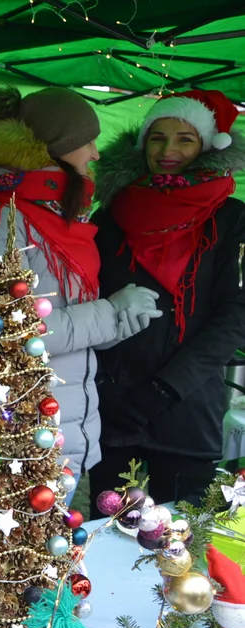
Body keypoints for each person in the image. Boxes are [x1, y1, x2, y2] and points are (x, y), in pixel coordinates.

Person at [0, 86, 160, 481]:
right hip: (17, 436)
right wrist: (110, 311)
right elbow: (12, 334)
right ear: (54, 147)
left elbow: (67, 324)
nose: (96, 153)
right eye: (87, 141)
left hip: (66, 429)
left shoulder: (53, 216)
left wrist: (120, 322)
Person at [90, 90, 245, 512]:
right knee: (107, 542)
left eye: (184, 139)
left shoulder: (231, 218)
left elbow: (236, 315)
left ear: (207, 147)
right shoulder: (111, 215)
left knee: (178, 559)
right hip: (115, 413)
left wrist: (165, 388)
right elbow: (89, 298)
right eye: (157, 138)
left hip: (186, 416)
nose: (168, 150)